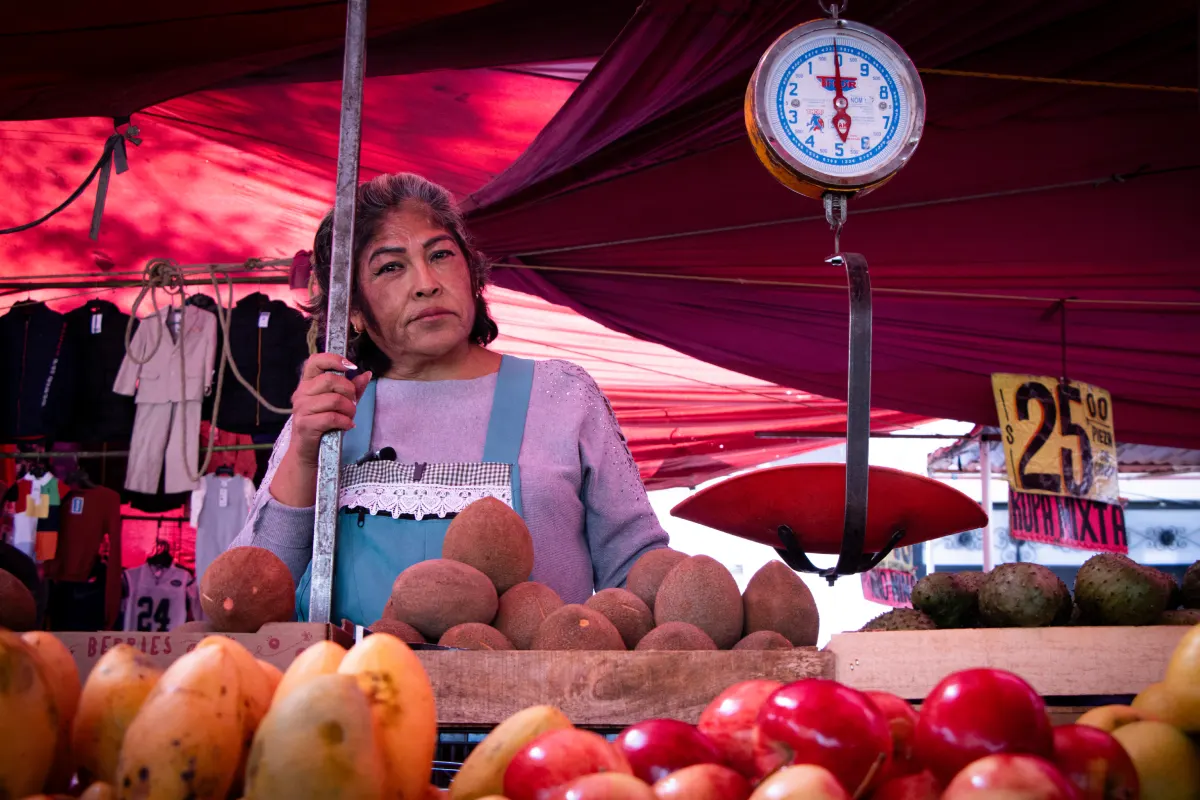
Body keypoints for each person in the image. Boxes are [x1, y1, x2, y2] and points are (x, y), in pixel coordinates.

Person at [230, 172, 669, 627]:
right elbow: (248, 595)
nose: (426, 283)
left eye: (440, 255)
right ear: (353, 311)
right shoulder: (331, 409)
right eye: (390, 267)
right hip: (354, 693)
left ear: (473, 275)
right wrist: (305, 452)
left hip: (539, 697)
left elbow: (636, 568)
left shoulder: (563, 397)